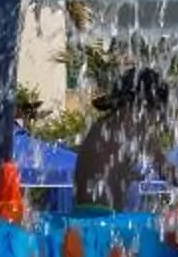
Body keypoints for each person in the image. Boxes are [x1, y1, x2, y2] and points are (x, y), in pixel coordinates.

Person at [71, 65, 172, 213]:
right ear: (142, 105)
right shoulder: (135, 131)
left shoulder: (99, 127)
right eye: (156, 112)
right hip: (108, 219)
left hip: (82, 214)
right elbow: (168, 173)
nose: (155, 120)